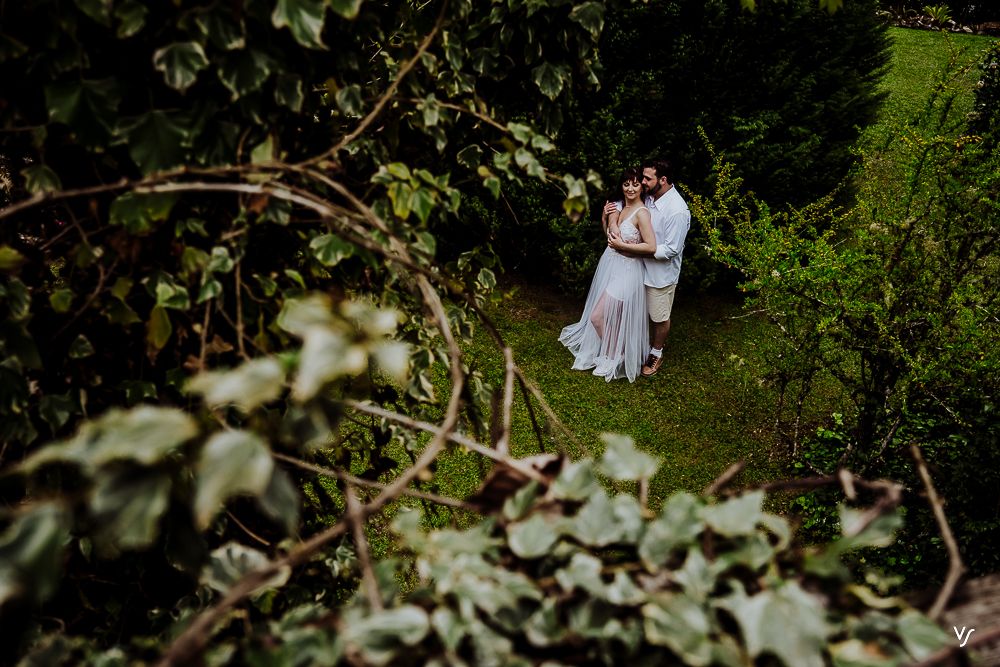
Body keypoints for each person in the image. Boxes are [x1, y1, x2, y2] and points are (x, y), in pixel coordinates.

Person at [559, 167, 656, 382]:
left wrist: (624, 245)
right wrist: (605, 220)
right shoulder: (621, 208)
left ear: (642, 187)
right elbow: (611, 240)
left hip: (629, 272)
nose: (630, 188)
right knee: (611, 317)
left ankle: (617, 354)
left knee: (597, 316)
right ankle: (615, 351)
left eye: (635, 184)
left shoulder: (642, 213)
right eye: (626, 184)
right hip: (614, 268)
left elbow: (651, 247)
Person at [605, 158, 690, 377]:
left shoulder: (677, 211)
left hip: (659, 274)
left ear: (663, 180)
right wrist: (612, 219)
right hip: (635, 268)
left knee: (658, 316)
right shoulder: (650, 196)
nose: (642, 182)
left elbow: (671, 250)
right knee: (633, 311)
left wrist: (634, 248)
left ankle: (656, 353)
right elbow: (626, 206)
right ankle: (629, 347)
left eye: (646, 178)